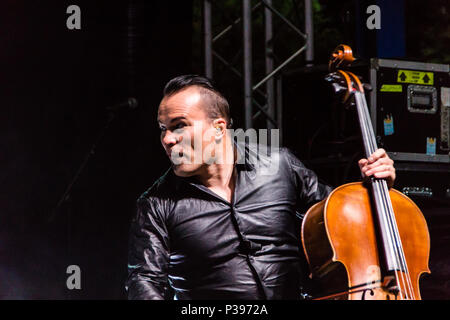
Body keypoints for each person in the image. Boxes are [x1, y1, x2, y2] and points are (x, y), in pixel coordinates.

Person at [125, 75, 396, 300]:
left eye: (179, 126)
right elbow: (144, 281)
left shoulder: (281, 166)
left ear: (219, 128)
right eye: (163, 129)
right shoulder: (156, 203)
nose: (168, 140)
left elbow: (342, 222)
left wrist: (375, 188)